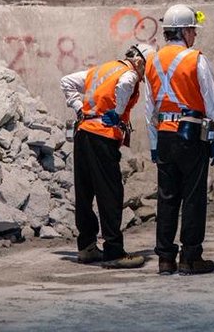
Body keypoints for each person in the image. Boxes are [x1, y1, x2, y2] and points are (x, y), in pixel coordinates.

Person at [145, 3, 214, 276]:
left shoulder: (152, 61)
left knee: (167, 197)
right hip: (192, 135)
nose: (195, 35)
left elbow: (149, 108)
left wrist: (154, 144)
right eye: (193, 30)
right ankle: (190, 257)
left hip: (165, 135)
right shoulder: (196, 59)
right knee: (193, 196)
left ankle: (165, 259)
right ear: (184, 31)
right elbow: (211, 103)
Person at [60, 45, 152, 269]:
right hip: (102, 137)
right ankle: (114, 251)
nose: (145, 76)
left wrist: (79, 107)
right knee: (110, 192)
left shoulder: (103, 69)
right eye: (146, 69)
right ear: (140, 62)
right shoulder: (128, 73)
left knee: (85, 191)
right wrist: (118, 111)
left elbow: (66, 81)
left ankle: (87, 246)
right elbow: (125, 84)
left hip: (83, 132)